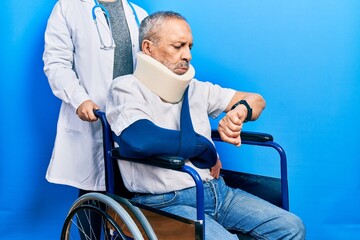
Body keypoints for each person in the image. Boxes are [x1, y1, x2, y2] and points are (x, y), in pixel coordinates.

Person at [106, 11, 306, 239]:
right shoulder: (126, 88)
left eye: (190, 47)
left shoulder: (197, 88)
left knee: (292, 227)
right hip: (165, 202)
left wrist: (241, 111)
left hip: (218, 192)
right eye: (178, 46)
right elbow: (141, 140)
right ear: (148, 48)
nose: (188, 55)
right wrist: (205, 148)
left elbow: (257, 100)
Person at [43, 0, 147, 238]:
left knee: (130, 204)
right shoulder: (68, 7)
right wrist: (80, 99)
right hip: (94, 119)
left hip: (131, 122)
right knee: (93, 196)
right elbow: (56, 63)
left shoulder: (138, 14)